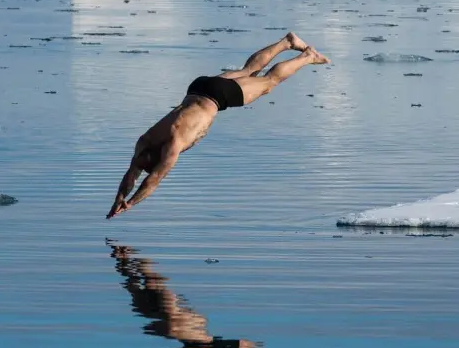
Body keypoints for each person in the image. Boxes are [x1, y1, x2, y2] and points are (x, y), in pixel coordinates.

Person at [106, 33, 329, 219]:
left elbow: (152, 180)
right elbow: (131, 175)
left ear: (157, 158)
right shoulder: (144, 143)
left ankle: (307, 57)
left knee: (269, 82)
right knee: (246, 71)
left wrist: (132, 203)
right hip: (199, 87)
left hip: (216, 98)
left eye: (143, 165)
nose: (138, 165)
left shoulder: (173, 147)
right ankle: (287, 42)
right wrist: (119, 198)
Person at [109, 242, 322, 348]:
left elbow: (141, 284)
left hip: (196, 343)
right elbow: (137, 286)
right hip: (195, 344)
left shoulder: (168, 316)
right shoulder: (159, 317)